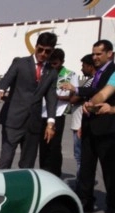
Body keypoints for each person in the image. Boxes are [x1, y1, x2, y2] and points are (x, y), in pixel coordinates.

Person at [0, 32, 59, 169]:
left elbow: (51, 98)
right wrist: (1, 89)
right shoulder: (20, 63)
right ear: (35, 47)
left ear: (52, 51)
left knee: (27, 163)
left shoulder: (52, 72)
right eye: (40, 49)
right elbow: (7, 78)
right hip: (13, 119)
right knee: (6, 159)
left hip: (33, 123)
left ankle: (23, 188)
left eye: (47, 51)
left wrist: (50, 122)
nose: (43, 54)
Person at [77, 40, 115, 213]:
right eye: (94, 54)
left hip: (107, 129)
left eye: (99, 54)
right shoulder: (100, 74)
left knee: (109, 171)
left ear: (110, 54)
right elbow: (103, 93)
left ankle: (112, 208)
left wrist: (112, 109)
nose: (95, 57)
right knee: (86, 167)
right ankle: (85, 202)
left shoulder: (111, 70)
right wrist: (91, 104)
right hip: (91, 127)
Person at [37, 48, 77, 178]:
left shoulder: (70, 75)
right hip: (42, 113)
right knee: (43, 145)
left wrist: (57, 97)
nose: (52, 66)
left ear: (62, 62)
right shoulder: (45, 72)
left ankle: (55, 174)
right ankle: (44, 172)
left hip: (58, 114)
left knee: (54, 145)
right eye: (50, 63)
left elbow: (75, 96)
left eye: (55, 63)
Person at [66, 55, 95, 180]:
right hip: (79, 123)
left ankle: (81, 184)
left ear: (90, 66)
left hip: (80, 124)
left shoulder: (90, 82)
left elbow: (73, 99)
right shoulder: (90, 81)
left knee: (80, 157)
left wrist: (73, 89)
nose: (82, 69)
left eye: (83, 66)